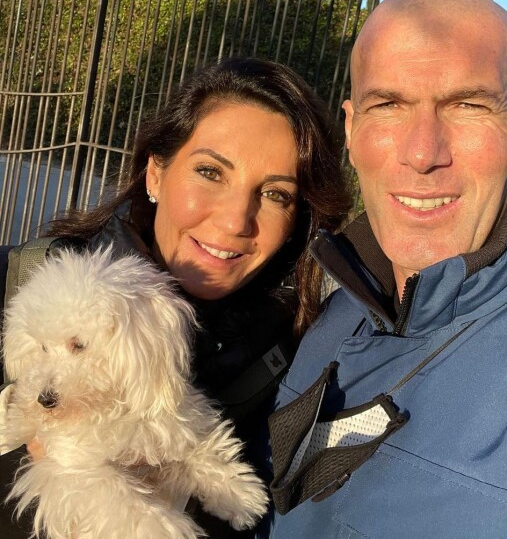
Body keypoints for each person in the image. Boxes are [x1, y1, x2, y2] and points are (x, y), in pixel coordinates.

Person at [263, 0, 507, 538]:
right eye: (389, 104)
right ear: (353, 130)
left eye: (467, 106)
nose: (422, 153)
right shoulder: (336, 317)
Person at [0, 58, 352, 537]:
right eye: (210, 172)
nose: (234, 221)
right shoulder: (14, 285)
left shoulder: (300, 359)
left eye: (275, 194)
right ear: (155, 175)